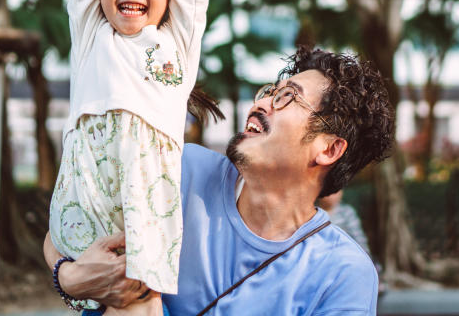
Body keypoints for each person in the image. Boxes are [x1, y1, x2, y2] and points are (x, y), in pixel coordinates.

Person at [45, 47, 396, 315]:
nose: (261, 103)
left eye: (287, 97)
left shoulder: (344, 274)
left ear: (329, 148)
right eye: (269, 91)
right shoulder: (180, 169)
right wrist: (70, 278)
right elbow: (67, 224)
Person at [48, 0, 208, 316]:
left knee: (139, 299)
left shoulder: (175, 40)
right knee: (91, 289)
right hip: (85, 192)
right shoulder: (93, 36)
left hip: (148, 199)